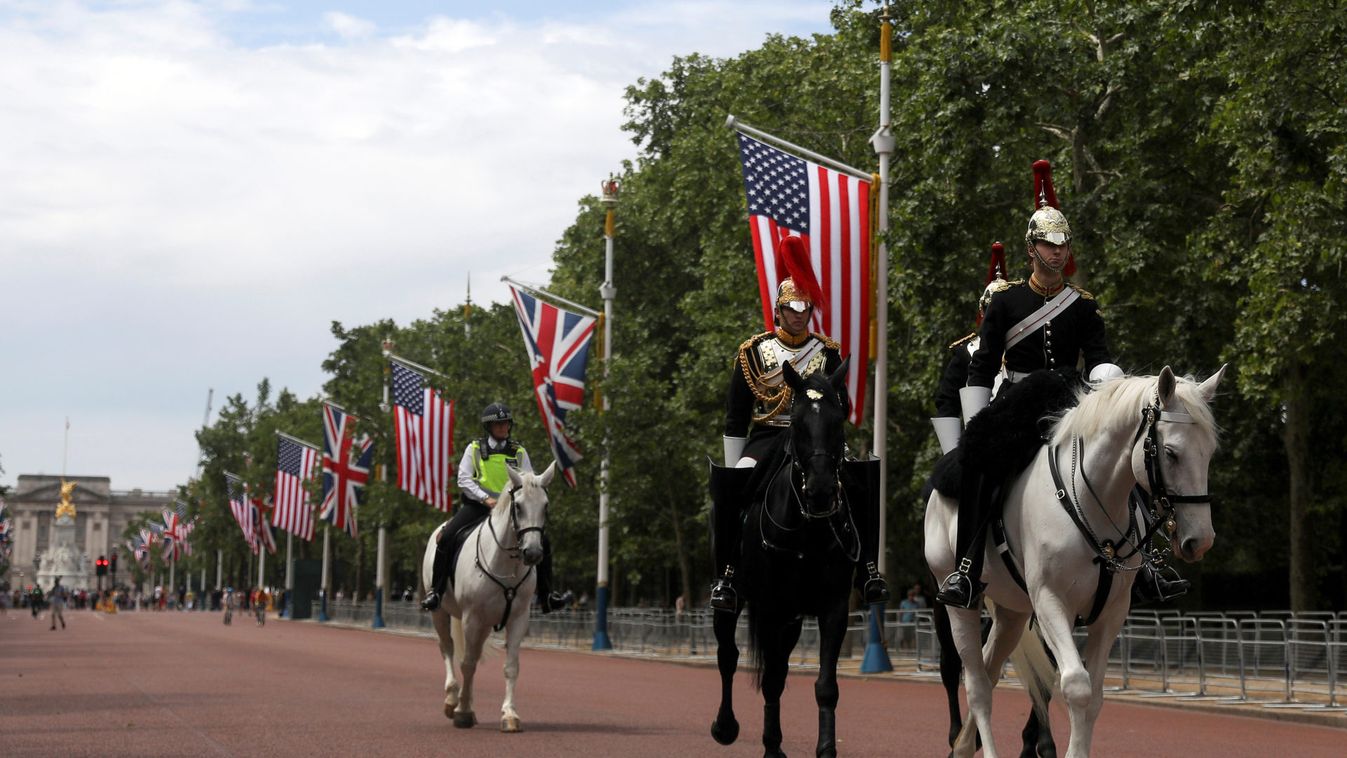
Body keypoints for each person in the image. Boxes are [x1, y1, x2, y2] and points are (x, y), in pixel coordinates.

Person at [936, 160, 1187, 609]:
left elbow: (1100, 360)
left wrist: (1106, 386)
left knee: (1127, 458)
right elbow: (983, 367)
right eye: (1048, 245)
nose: (1057, 253)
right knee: (980, 462)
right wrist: (977, 422)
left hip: (1071, 400)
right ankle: (968, 567)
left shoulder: (1083, 306)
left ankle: (1146, 563)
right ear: (1031, 249)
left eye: (1062, 245)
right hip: (1017, 403)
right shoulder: (1006, 302)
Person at [711, 235, 889, 612]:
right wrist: (732, 463)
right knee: (730, 489)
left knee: (863, 481)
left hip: (818, 440)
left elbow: (842, 405)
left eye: (805, 307)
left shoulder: (827, 352)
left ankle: (869, 569)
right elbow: (736, 414)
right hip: (766, 438)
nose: (798, 313)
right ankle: (727, 574)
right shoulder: (754, 352)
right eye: (792, 306)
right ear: (778, 309)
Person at [421, 402, 573, 613]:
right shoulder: (474, 448)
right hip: (478, 507)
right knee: (447, 537)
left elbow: (529, 481)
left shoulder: (519, 451)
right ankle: (436, 592)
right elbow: (464, 479)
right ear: (489, 427)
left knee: (543, 542)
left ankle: (547, 596)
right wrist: (485, 498)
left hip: (511, 510)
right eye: (498, 424)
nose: (503, 428)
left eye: (506, 424)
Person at [930, 243, 1012, 455]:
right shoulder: (966, 352)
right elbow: (946, 403)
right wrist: (954, 455)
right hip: (979, 443)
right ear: (983, 312)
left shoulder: (1026, 343)